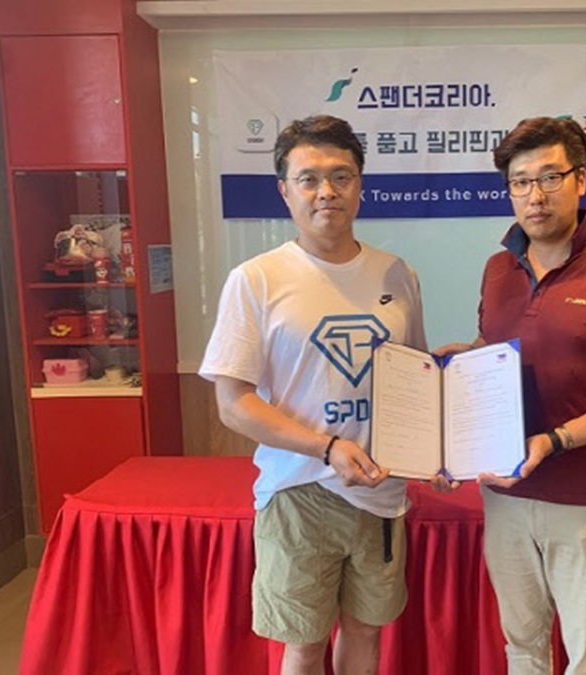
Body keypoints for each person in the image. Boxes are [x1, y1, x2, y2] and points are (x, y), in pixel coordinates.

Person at [435, 116, 586, 674]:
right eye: (520, 182)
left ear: (580, 180)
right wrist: (465, 361)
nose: (534, 196)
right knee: (522, 649)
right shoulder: (498, 269)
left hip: (583, 500)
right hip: (505, 494)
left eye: (549, 177)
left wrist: (554, 440)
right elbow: (501, 350)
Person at [199, 114, 427, 675]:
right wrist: (326, 448)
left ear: (360, 185)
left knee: (366, 631)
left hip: (380, 492)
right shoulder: (256, 279)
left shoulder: (397, 274)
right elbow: (233, 403)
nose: (327, 191)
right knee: (302, 645)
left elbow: (415, 380)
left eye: (341, 176)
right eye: (309, 178)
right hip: (297, 492)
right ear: (285, 190)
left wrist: (439, 451)